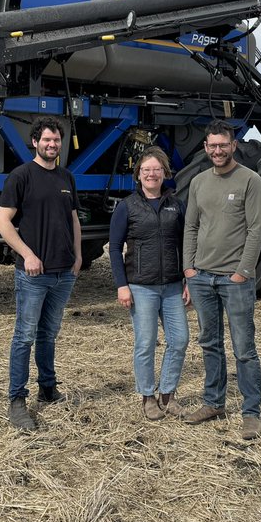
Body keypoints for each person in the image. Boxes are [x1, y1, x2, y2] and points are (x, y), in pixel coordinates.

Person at [0, 116, 82, 431]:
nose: (52, 144)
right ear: (35, 142)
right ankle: (17, 400)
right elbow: (2, 223)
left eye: (56, 140)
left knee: (49, 334)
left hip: (63, 273)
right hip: (33, 273)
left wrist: (79, 256)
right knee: (24, 336)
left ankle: (48, 388)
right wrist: (27, 254)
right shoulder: (21, 176)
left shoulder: (66, 177)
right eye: (46, 139)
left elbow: (73, 219)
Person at [182, 120, 261, 439]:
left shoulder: (250, 181)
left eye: (223, 145)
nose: (218, 151)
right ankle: (214, 402)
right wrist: (189, 269)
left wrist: (242, 271)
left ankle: (251, 413)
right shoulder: (199, 182)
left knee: (244, 348)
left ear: (233, 146)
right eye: (212, 146)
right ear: (205, 148)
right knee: (210, 343)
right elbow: (191, 226)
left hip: (235, 280)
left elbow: (256, 229)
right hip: (202, 277)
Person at [109, 147, 191, 421]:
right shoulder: (127, 207)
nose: (152, 174)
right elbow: (115, 248)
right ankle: (147, 397)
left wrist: (187, 279)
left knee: (179, 340)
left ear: (164, 173)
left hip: (172, 286)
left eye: (156, 169)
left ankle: (167, 395)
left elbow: (185, 243)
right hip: (141, 287)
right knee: (145, 343)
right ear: (138, 175)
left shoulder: (175, 205)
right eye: (146, 170)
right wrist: (122, 285)